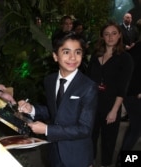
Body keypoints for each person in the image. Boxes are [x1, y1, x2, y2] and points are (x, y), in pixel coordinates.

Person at [18, 32, 98, 167]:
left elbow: (84, 128)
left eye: (77, 52)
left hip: (76, 155)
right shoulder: (50, 80)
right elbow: (55, 111)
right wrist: (31, 109)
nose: (73, 57)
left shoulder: (88, 86)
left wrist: (47, 130)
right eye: (66, 52)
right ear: (55, 56)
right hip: (54, 153)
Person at [87, 20, 133, 167]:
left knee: (108, 141)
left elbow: (122, 88)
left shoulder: (125, 58)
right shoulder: (95, 56)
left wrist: (114, 110)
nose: (110, 37)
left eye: (114, 33)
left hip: (111, 105)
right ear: (102, 37)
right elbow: (88, 81)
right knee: (90, 138)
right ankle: (90, 163)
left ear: (119, 35)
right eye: (106, 34)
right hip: (92, 104)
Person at [115, 19, 141, 167]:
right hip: (134, 95)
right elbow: (132, 73)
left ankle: (124, 160)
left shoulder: (135, 49)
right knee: (136, 128)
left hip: (132, 94)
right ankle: (124, 160)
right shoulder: (136, 50)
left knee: (135, 128)